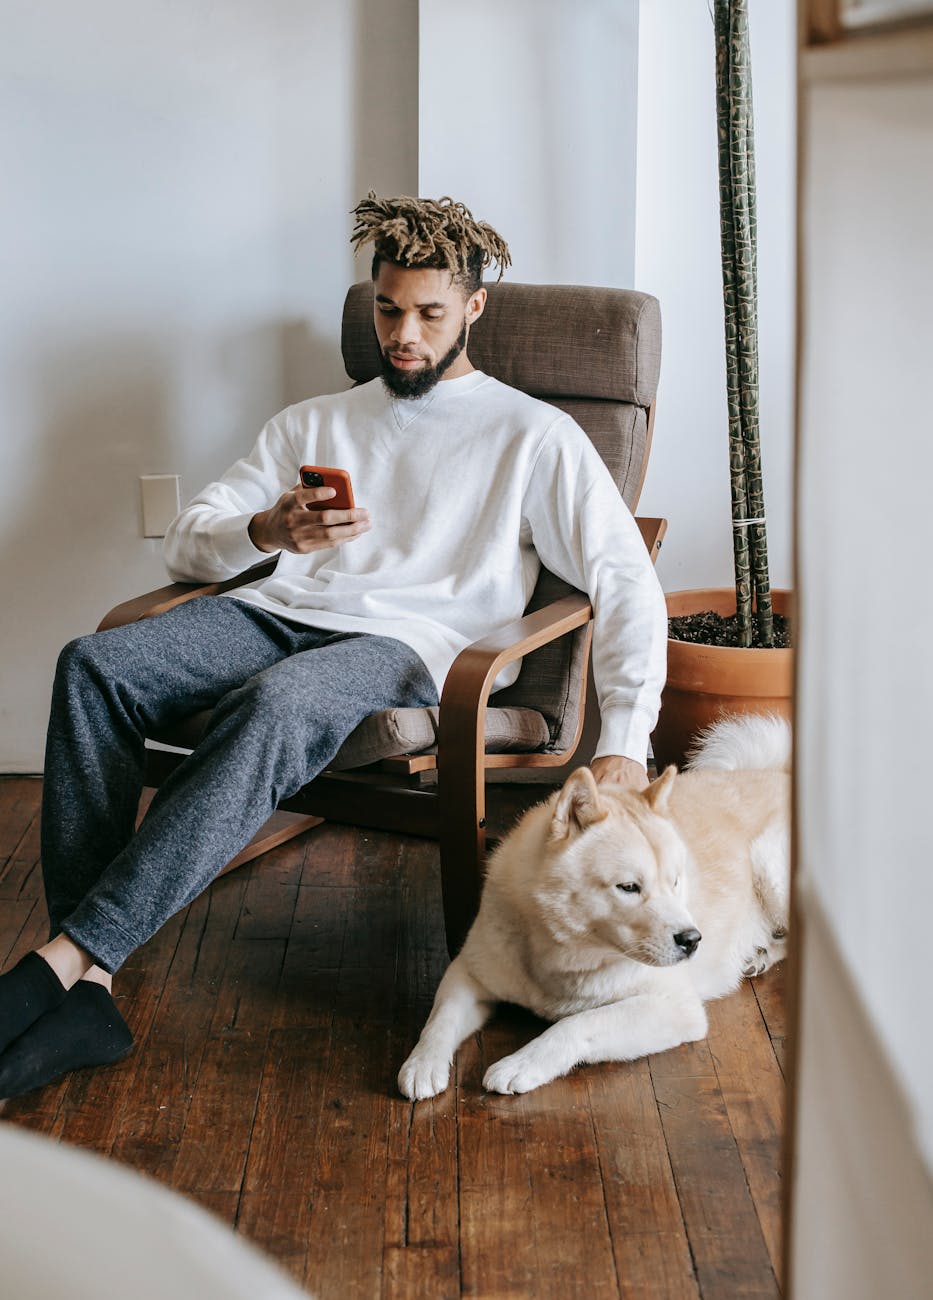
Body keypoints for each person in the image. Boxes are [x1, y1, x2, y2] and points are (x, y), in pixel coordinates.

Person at [0, 194, 667, 1099]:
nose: (404, 334)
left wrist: (625, 737)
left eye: (429, 313)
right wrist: (269, 527)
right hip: (276, 610)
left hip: (408, 643)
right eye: (388, 309)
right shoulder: (313, 422)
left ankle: (64, 961)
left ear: (473, 308)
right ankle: (95, 988)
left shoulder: (532, 435)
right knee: (95, 664)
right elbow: (189, 543)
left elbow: (624, 579)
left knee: (282, 703)